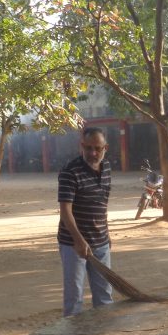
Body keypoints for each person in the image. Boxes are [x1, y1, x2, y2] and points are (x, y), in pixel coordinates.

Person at [57, 126, 113, 316]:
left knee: (105, 297)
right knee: (74, 299)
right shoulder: (70, 172)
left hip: (101, 243)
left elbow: (102, 206)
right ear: (82, 146)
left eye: (98, 148)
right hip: (73, 245)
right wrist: (78, 240)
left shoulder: (106, 169)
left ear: (106, 147)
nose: (93, 153)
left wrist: (107, 236)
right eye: (88, 148)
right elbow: (65, 210)